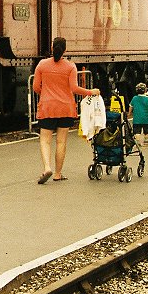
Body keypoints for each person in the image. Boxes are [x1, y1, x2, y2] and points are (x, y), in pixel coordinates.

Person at [33, 37, 100, 184]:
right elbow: (75, 89)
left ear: (52, 48)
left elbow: (36, 87)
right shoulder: (70, 67)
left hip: (47, 107)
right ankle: (57, 173)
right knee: (61, 142)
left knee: (45, 140)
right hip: (66, 107)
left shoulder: (42, 65)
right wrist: (91, 91)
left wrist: (46, 94)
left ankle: (46, 168)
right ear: (65, 50)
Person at [128, 82, 148, 147]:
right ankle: (146, 140)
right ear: (145, 90)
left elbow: (131, 106)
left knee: (137, 131)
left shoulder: (134, 98)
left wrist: (129, 113)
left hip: (136, 118)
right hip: (145, 118)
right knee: (146, 130)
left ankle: (137, 142)